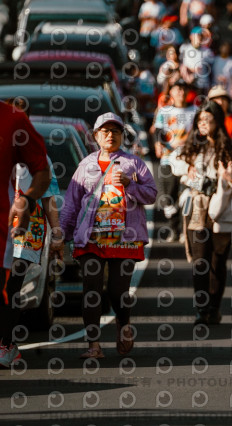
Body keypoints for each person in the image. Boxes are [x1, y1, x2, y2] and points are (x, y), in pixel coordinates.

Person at [60, 113, 157, 358]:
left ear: (122, 135)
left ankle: (123, 324)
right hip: (91, 238)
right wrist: (61, 236)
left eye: (115, 131)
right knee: (91, 289)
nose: (110, 135)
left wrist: (130, 184)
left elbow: (151, 194)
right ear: (96, 136)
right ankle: (93, 345)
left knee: (117, 291)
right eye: (105, 131)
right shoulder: (85, 165)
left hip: (125, 239)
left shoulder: (134, 163)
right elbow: (71, 204)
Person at [169, 102, 232, 325]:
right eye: (200, 120)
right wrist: (187, 169)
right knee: (200, 261)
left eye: (208, 120)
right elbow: (173, 160)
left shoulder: (231, 149)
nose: (203, 125)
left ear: (217, 122)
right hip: (197, 207)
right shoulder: (191, 146)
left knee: (218, 261)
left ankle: (214, 307)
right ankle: (201, 308)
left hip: (223, 207)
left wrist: (229, 177)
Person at [0, 100, 50, 367]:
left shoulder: (14, 122)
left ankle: (5, 343)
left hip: (18, 231)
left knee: (11, 287)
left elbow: (45, 180)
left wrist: (28, 201)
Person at [153, 78, 197, 241]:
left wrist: (187, 141)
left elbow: (200, 131)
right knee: (168, 195)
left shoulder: (195, 110)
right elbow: (158, 131)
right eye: (177, 89)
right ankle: (173, 227)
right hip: (168, 157)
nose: (181, 92)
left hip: (188, 159)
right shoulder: (165, 111)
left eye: (184, 89)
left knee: (187, 193)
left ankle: (185, 229)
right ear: (171, 92)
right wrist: (159, 143)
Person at [179, 26, 215, 94]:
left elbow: (212, 69)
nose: (200, 38)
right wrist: (187, 72)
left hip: (203, 86)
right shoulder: (184, 48)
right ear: (191, 36)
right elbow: (181, 64)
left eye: (201, 35)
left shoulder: (207, 51)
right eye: (197, 35)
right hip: (188, 85)